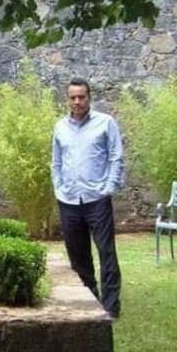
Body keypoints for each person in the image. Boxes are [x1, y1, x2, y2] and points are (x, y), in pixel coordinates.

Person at [51, 77, 124, 318]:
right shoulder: (60, 127)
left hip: (97, 200)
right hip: (69, 200)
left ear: (89, 97)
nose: (77, 101)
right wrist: (58, 188)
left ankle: (111, 307)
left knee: (106, 253)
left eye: (81, 97)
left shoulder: (106, 123)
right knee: (78, 256)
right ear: (67, 99)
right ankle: (89, 301)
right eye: (73, 97)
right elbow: (56, 162)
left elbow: (116, 156)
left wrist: (108, 187)